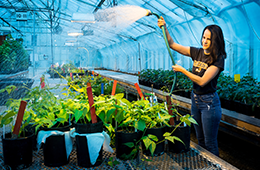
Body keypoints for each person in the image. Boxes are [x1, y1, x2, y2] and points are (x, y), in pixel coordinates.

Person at [158, 17, 226, 156]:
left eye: (209, 39)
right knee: (200, 140)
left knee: (210, 142)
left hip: (209, 104)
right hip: (195, 100)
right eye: (203, 37)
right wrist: (164, 28)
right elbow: (172, 44)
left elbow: (202, 81)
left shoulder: (218, 59)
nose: (204, 41)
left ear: (216, 41)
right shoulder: (197, 52)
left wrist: (183, 70)